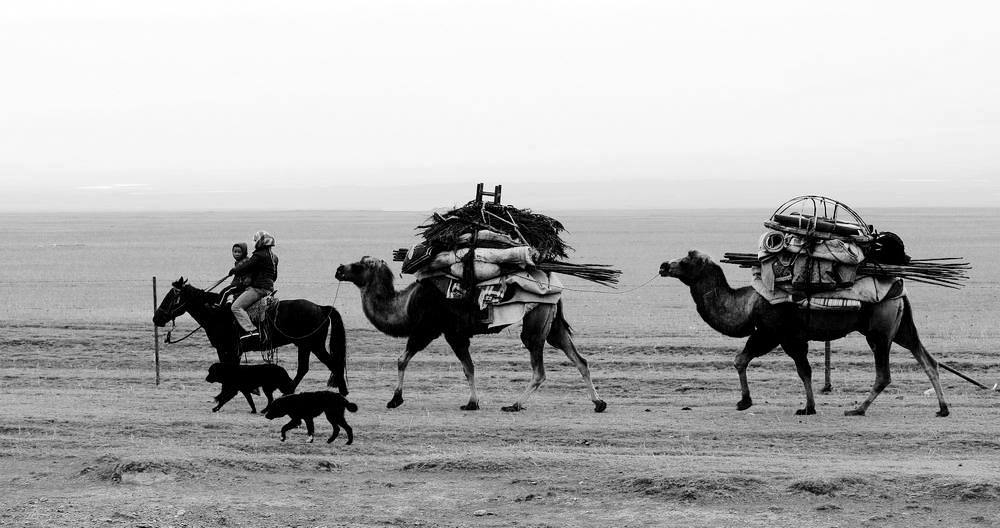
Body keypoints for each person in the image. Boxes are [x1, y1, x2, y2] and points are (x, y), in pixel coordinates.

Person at [230, 231, 279, 342]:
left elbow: (247, 266)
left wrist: (234, 270)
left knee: (236, 307)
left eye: (255, 240)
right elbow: (274, 277)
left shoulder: (259, 255)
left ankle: (251, 331)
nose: (254, 242)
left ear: (260, 242)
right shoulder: (274, 257)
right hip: (269, 289)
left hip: (258, 289)